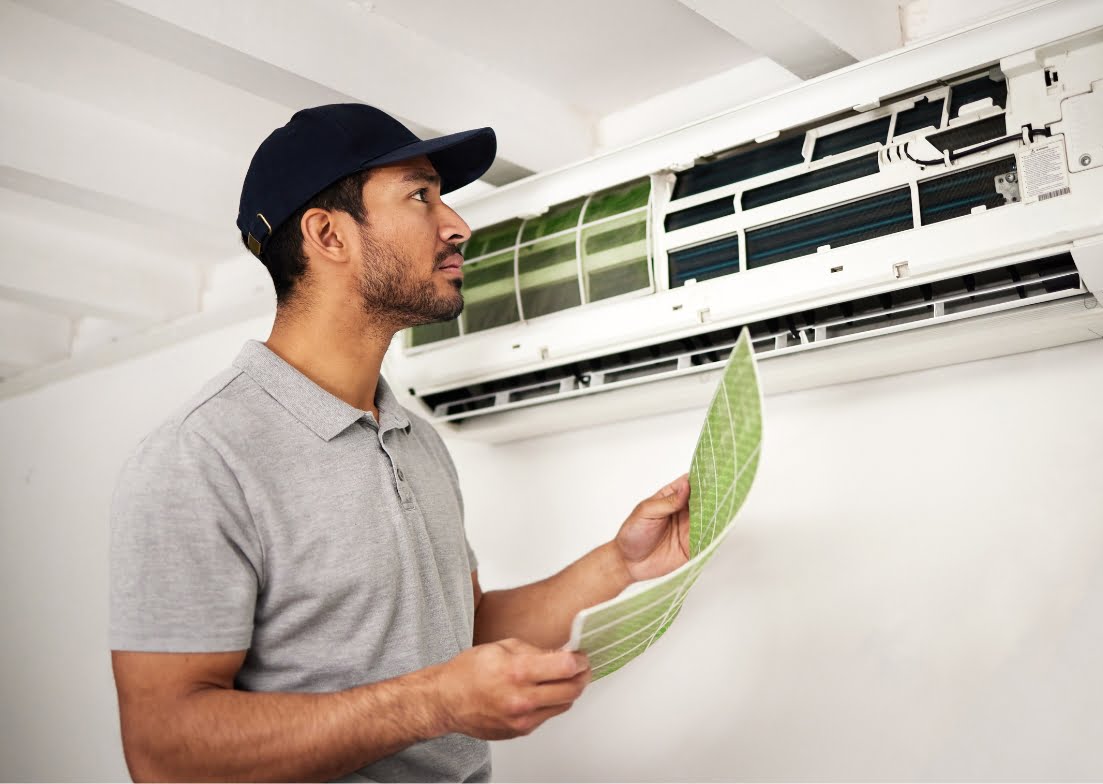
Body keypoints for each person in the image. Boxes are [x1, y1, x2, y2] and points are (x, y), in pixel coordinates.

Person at [108, 104, 692, 782]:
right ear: (328, 235)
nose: (458, 225)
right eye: (421, 195)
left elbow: (459, 632)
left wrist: (619, 565)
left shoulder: (415, 438)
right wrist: (434, 704)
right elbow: (163, 753)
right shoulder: (199, 458)